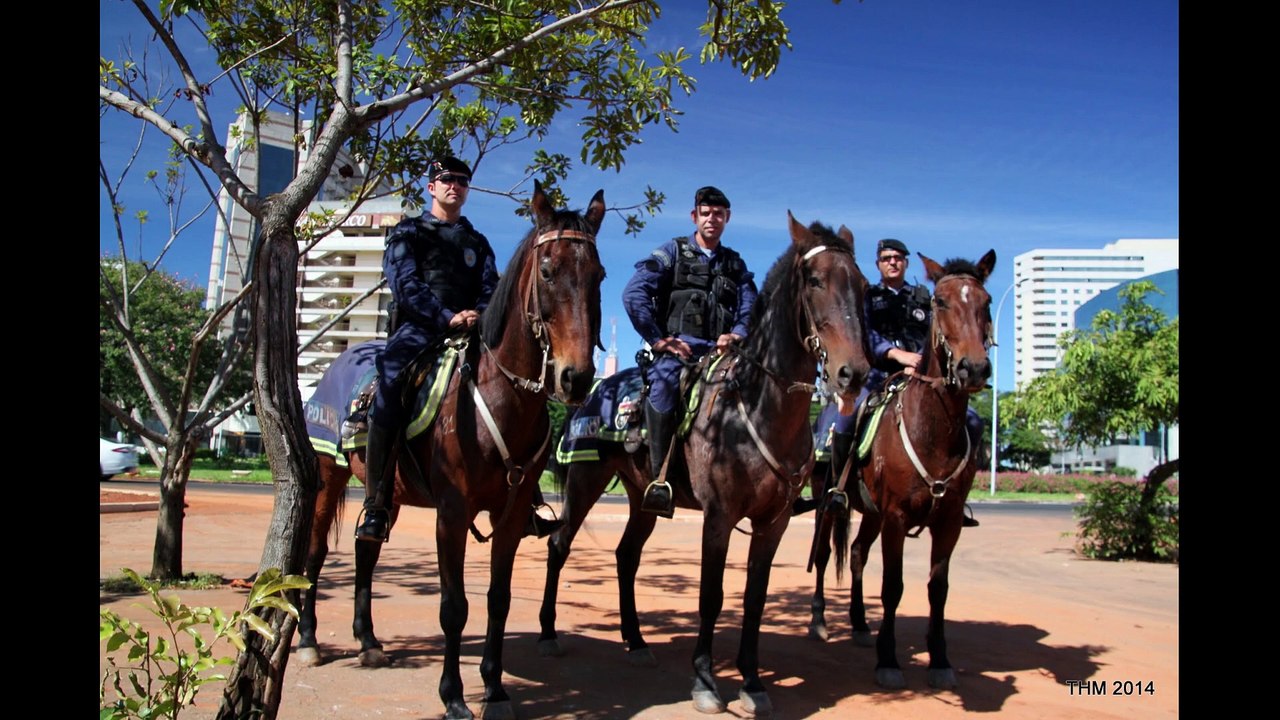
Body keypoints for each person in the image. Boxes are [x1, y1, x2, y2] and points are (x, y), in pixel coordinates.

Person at [355, 157, 561, 542]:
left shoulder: (477, 243)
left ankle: (527, 499)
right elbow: (405, 285)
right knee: (391, 382)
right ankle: (377, 504)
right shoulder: (407, 234)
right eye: (446, 179)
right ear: (431, 187)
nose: (455, 185)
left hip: (471, 331)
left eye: (462, 181)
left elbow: (492, 291)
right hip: (418, 331)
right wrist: (445, 316)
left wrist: (477, 316)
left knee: (519, 391)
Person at [824, 238, 982, 527]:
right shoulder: (866, 297)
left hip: (923, 378)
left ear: (906, 263)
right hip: (878, 378)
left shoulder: (924, 298)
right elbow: (864, 334)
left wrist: (924, 363)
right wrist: (897, 355)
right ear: (878, 265)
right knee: (846, 419)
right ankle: (839, 488)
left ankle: (958, 499)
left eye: (898, 257)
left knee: (972, 420)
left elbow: (941, 333)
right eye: (886, 258)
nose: (892, 262)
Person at [622, 186, 758, 517]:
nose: (712, 218)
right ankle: (659, 478)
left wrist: (738, 334)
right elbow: (634, 293)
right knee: (666, 382)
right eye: (706, 212)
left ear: (727, 218)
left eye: (719, 213)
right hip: (679, 350)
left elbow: (750, 306)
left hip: (724, 353)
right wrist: (658, 340)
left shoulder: (735, 264)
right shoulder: (672, 252)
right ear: (694, 217)